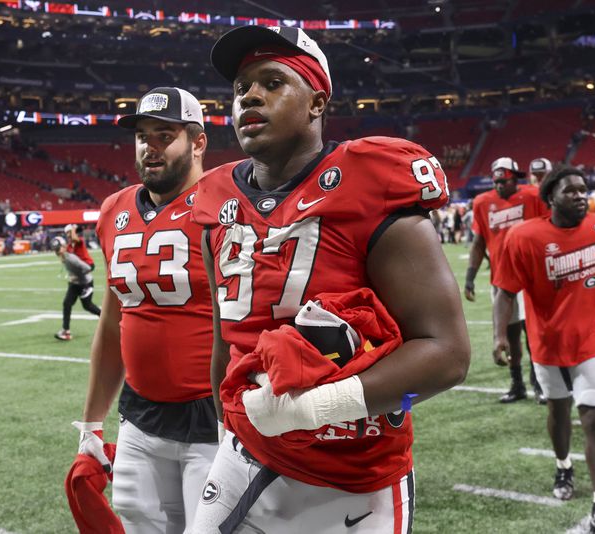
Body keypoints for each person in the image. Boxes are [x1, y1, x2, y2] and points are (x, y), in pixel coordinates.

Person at [190, 26, 471, 533]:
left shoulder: (371, 181)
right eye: (240, 88)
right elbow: (222, 338)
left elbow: (446, 353)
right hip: (244, 453)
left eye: (272, 82)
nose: (249, 95)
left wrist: (312, 408)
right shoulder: (214, 197)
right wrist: (226, 423)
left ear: (317, 102)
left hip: (352, 473)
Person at [73, 87, 218, 532]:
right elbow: (114, 322)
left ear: (197, 142)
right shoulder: (113, 210)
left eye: (163, 135)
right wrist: (92, 423)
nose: (149, 147)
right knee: (139, 523)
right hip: (140, 416)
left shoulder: (230, 201)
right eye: (142, 136)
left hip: (216, 415)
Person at [493, 165, 595, 534]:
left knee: (594, 418)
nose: (581, 196)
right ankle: (564, 463)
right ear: (550, 197)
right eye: (571, 191)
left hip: (591, 343)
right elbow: (505, 292)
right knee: (558, 411)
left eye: (584, 190)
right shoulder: (525, 237)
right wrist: (500, 336)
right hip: (546, 344)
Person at [465, 157, 548, 403]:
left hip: (532, 277)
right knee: (509, 335)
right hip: (501, 278)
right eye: (497, 181)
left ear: (516, 178)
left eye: (506, 180)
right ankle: (518, 384)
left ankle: (540, 383)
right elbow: (479, 242)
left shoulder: (533, 196)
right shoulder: (482, 202)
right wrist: (470, 277)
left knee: (532, 332)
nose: (501, 185)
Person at [53, 234, 101, 341]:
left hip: (85, 284)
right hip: (75, 284)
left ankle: (105, 317)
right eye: (55, 249)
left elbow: (88, 268)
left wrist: (76, 276)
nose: (56, 251)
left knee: (88, 306)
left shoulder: (71, 258)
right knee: (67, 304)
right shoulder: (64, 257)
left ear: (64, 246)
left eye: (58, 248)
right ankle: (66, 331)